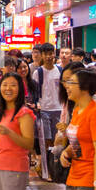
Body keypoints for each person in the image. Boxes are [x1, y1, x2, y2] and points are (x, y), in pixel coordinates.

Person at [30, 44, 64, 182]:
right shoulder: (38, 72)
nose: (49, 56)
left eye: (51, 53)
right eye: (46, 54)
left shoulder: (60, 70)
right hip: (43, 110)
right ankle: (46, 170)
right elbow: (34, 92)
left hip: (59, 109)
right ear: (42, 56)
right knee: (46, 142)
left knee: (57, 142)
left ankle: (51, 169)